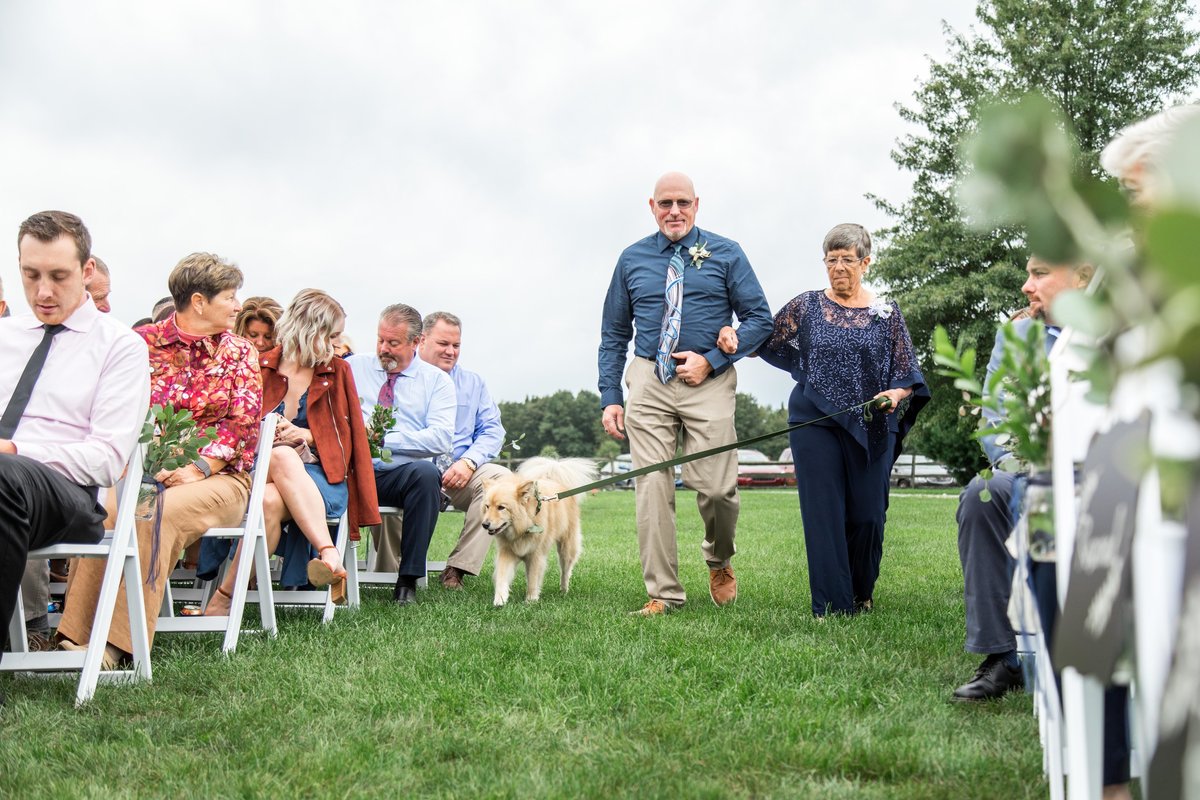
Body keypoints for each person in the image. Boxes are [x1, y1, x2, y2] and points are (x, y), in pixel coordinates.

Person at [57, 252, 261, 667]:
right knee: (106, 510)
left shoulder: (239, 352)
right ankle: (74, 634)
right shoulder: (141, 344)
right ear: (199, 301)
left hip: (219, 478)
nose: (238, 305)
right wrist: (138, 465)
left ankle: (117, 646)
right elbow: (116, 410)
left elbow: (243, 426)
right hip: (142, 470)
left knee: (152, 512)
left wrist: (196, 468)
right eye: (230, 296)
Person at [599, 171, 772, 616]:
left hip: (707, 380)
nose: (673, 211)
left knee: (716, 489)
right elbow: (613, 333)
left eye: (682, 203)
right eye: (665, 204)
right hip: (649, 378)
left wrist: (714, 358)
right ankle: (664, 592)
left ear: (697, 204)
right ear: (651, 206)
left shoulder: (727, 253)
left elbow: (760, 320)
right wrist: (610, 396)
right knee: (652, 485)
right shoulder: (631, 259)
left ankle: (719, 560)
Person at [0, 211, 150, 703]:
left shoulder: (120, 347)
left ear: (87, 272)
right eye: (31, 274)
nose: (43, 290)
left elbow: (106, 458)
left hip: (67, 496)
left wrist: (18, 450)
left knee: (5, 472)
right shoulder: (5, 337)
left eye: (58, 276)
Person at [757, 223, 929, 618]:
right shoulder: (807, 306)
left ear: (865, 263)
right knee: (823, 513)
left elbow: (907, 370)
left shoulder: (886, 312)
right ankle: (831, 606)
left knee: (868, 513)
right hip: (813, 421)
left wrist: (895, 394)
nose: (838, 267)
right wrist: (734, 340)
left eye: (847, 260)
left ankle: (860, 590)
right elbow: (766, 340)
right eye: (831, 260)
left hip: (871, 423)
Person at [202, 289, 380, 612]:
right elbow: (232, 425)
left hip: (320, 476)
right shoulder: (260, 367)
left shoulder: (338, 370)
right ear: (311, 331)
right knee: (275, 470)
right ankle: (327, 551)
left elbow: (349, 437)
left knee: (270, 496)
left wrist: (306, 435)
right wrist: (267, 432)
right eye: (332, 336)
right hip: (258, 469)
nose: (337, 345)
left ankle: (224, 599)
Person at [347, 304, 454, 605]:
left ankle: (407, 580)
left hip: (398, 475)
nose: (384, 349)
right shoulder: (354, 368)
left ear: (416, 342)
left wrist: (383, 438)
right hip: (354, 471)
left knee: (426, 474)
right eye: (381, 340)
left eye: (393, 343)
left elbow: (441, 437)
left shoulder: (437, 382)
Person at [409, 311, 509, 590]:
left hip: (460, 474)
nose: (451, 352)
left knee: (500, 481)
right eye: (443, 344)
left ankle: (457, 569)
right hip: (413, 471)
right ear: (422, 340)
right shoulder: (404, 378)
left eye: (456, 346)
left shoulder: (473, 383)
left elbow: (493, 430)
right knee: (393, 476)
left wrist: (469, 462)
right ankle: (399, 571)